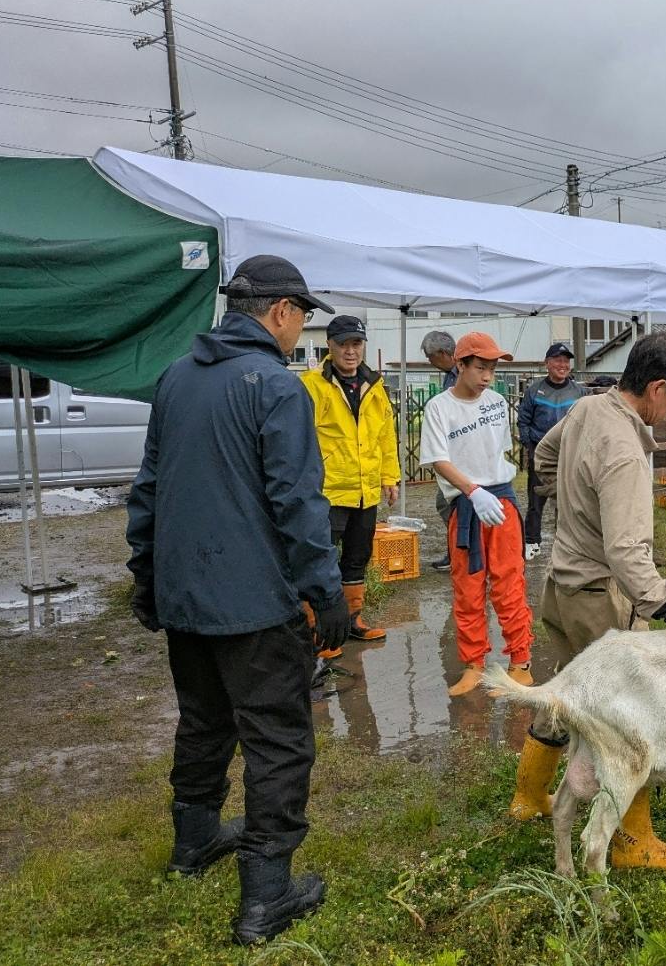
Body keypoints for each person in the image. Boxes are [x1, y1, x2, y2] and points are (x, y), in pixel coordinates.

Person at [125, 254, 346, 945]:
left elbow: (148, 490)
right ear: (281, 312)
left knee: (203, 721)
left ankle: (193, 843)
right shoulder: (277, 389)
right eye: (301, 317)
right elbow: (297, 502)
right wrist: (326, 591)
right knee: (278, 740)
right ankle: (266, 897)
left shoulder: (176, 379)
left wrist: (146, 576)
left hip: (185, 599)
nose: (299, 330)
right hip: (254, 607)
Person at [509, 332, 666, 869]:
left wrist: (569, 495)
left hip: (561, 585)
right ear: (656, 388)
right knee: (632, 718)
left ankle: (529, 794)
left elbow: (543, 455)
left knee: (561, 692)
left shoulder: (586, 407)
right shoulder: (627, 452)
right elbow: (628, 555)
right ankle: (632, 840)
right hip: (601, 599)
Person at [419, 332, 534, 697]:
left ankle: (521, 663)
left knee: (509, 584)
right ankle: (473, 665)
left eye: (493, 368)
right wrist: (471, 490)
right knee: (467, 590)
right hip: (467, 506)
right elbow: (438, 459)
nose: (487, 376)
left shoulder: (498, 402)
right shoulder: (439, 407)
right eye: (480, 367)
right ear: (461, 364)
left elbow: (497, 451)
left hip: (501, 503)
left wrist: (493, 491)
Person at [299, 315, 398, 663]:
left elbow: (385, 434)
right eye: (343, 344)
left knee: (357, 558)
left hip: (365, 491)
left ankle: (352, 621)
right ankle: (318, 631)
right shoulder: (312, 385)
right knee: (321, 561)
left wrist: (390, 476)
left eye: (356, 344)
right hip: (328, 491)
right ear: (331, 345)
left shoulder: (375, 383)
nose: (350, 351)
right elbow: (301, 437)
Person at [517, 342, 587, 560]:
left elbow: (586, 421)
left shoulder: (579, 391)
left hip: (569, 455)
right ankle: (532, 541)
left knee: (568, 502)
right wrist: (530, 447)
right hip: (541, 455)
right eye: (557, 360)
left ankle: (566, 543)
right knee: (536, 501)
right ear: (547, 363)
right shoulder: (534, 390)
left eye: (566, 361)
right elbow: (523, 421)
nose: (562, 365)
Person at [420, 329, 458, 572]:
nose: (430, 362)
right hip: (448, 449)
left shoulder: (461, 373)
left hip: (458, 452)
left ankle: (460, 550)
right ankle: (456, 550)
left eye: (431, 357)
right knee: (448, 504)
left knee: (448, 503)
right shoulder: (449, 375)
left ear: (443, 353)